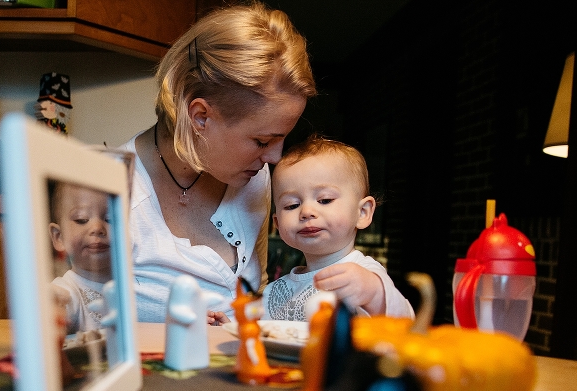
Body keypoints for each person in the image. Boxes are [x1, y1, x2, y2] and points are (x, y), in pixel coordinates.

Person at [119, 2, 316, 323]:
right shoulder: (110, 186)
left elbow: (256, 290)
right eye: (263, 141)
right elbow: (82, 308)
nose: (275, 158)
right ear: (200, 117)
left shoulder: (255, 177)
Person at [259, 135, 414, 321]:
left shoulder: (365, 275)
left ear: (362, 213)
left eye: (325, 200)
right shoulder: (275, 290)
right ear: (277, 223)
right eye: (292, 205)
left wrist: (375, 295)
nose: (307, 211)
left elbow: (403, 324)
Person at [48, 181, 112, 333]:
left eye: (109, 219)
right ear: (59, 237)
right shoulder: (67, 291)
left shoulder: (135, 285)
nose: (97, 228)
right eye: (82, 220)